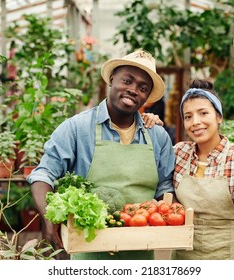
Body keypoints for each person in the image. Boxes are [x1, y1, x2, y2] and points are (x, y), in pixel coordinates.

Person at [26, 49, 176, 260]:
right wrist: (49, 219)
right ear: (112, 79)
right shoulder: (77, 128)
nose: (134, 90)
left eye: (143, 88)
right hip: (88, 252)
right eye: (127, 80)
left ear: (147, 98)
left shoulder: (158, 136)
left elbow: (164, 189)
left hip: (140, 252)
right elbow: (43, 175)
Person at [170, 79, 234, 260]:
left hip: (227, 255)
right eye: (188, 116)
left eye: (203, 113)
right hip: (184, 254)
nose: (195, 122)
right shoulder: (179, 152)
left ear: (219, 117)